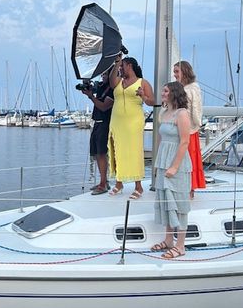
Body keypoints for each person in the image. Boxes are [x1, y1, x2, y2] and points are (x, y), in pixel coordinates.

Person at [152, 81, 192, 259]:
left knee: (180, 203)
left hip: (178, 162)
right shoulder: (165, 112)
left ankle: (180, 246)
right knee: (166, 202)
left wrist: (174, 166)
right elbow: (162, 139)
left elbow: (184, 141)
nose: (163, 94)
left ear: (174, 93)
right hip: (164, 161)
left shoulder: (182, 114)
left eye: (166, 91)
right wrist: (159, 164)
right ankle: (168, 240)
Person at [108, 56, 155, 197]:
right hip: (116, 121)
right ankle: (118, 182)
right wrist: (116, 63)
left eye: (122, 66)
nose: (120, 69)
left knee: (134, 151)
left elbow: (152, 101)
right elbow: (111, 82)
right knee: (116, 150)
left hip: (134, 121)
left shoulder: (143, 82)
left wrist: (143, 95)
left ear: (129, 66)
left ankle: (138, 186)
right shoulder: (118, 81)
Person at [173, 60, 206, 199]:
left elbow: (196, 108)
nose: (174, 75)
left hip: (189, 129)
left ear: (184, 72)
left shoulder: (193, 88)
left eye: (177, 71)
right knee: (180, 158)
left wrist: (196, 124)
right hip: (179, 128)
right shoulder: (181, 87)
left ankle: (190, 188)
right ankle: (181, 186)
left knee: (189, 159)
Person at [81, 68, 114, 195]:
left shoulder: (112, 89)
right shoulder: (101, 86)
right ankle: (103, 181)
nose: (103, 76)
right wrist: (87, 84)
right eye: (103, 74)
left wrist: (91, 97)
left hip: (105, 123)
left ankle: (103, 183)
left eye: (105, 74)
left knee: (101, 153)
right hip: (97, 123)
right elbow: (92, 87)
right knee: (96, 154)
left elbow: (104, 107)